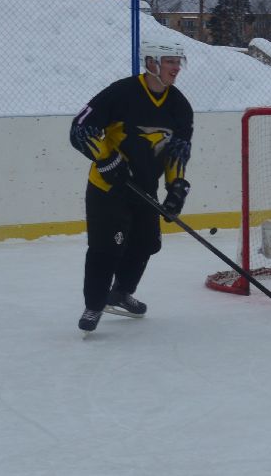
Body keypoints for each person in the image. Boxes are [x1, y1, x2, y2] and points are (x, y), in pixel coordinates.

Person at [68, 34, 194, 332]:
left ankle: (121, 293)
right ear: (151, 63)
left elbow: (177, 151)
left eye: (178, 62)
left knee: (146, 243)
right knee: (106, 248)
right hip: (108, 188)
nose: (175, 68)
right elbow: (80, 128)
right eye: (169, 62)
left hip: (144, 188)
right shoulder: (121, 93)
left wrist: (176, 188)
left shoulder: (180, 106)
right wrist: (105, 158)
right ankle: (94, 305)